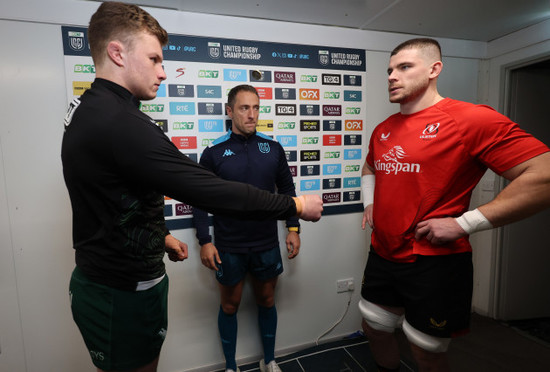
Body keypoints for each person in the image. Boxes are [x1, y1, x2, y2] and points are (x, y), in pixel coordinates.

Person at [61, 3, 323, 372]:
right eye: (154, 59)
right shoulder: (120, 122)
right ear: (117, 53)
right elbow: (212, 192)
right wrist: (294, 207)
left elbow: (110, 194)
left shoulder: (92, 109)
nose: (163, 72)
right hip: (119, 290)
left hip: (124, 277)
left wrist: (159, 234)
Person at [359, 37, 550, 372]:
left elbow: (544, 173)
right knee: (374, 328)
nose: (391, 76)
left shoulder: (470, 119)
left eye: (404, 67)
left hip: (435, 262)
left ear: (435, 69)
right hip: (383, 253)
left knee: (426, 351)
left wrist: (465, 223)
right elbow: (370, 168)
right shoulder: (384, 129)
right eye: (389, 69)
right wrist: (370, 203)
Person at [192, 85, 298, 372]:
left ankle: (270, 359)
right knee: (230, 305)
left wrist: (293, 228)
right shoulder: (214, 152)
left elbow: (287, 190)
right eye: (244, 108)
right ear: (229, 111)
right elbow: (199, 201)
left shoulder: (273, 148)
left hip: (266, 243)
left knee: (266, 299)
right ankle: (230, 366)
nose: (252, 115)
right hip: (229, 246)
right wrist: (205, 240)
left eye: (256, 108)